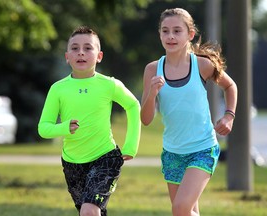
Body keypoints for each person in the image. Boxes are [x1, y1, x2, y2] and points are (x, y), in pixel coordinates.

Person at [140, 8, 237, 216]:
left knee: (180, 209)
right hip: (172, 152)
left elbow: (230, 87)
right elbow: (146, 119)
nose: (171, 36)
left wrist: (229, 115)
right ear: (159, 35)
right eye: (165, 31)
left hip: (202, 148)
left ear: (190, 34)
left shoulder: (202, 65)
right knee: (187, 212)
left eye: (177, 30)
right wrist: (151, 94)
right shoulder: (152, 70)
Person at [38, 26, 141, 216]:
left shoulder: (110, 85)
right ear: (67, 56)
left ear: (99, 56)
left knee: (89, 211)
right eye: (75, 48)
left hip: (105, 158)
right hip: (72, 163)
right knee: (92, 212)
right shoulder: (57, 89)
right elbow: (43, 128)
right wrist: (64, 127)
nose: (81, 53)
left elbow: (133, 106)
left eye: (88, 48)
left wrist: (130, 146)